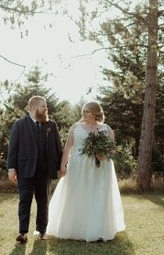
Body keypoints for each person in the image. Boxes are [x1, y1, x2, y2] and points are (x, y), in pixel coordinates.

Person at [46, 101, 125, 242]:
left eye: (88, 111)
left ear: (95, 112)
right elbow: (68, 148)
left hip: (100, 166)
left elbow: (112, 149)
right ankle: (76, 227)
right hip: (78, 166)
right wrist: (63, 166)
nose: (85, 114)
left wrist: (103, 155)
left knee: (98, 194)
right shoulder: (76, 127)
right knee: (78, 193)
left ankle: (98, 230)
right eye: (83, 111)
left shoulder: (106, 129)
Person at [7, 96, 63, 244]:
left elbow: (58, 147)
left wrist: (62, 166)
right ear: (34, 108)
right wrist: (11, 168)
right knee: (24, 201)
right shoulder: (20, 125)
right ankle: (23, 232)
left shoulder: (51, 125)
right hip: (25, 170)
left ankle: (42, 231)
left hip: (44, 171)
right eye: (43, 106)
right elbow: (13, 148)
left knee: (43, 201)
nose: (46, 109)